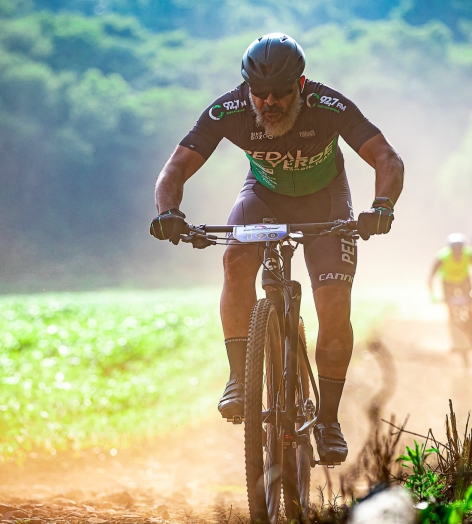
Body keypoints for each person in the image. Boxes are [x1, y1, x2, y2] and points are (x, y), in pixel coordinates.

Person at [150, 33, 404, 463]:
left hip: (327, 202)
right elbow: (175, 167)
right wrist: (168, 211)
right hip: (263, 195)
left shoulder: (328, 105)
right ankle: (240, 379)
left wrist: (381, 207)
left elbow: (387, 158)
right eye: (260, 93)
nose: (269, 102)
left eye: (281, 93)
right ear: (247, 88)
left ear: (300, 85)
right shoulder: (228, 110)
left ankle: (326, 420)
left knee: (334, 306)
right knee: (234, 260)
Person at [428, 233, 472, 348]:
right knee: (450, 312)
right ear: (450, 250)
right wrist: (432, 295)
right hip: (448, 284)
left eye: (459, 250)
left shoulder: (469, 254)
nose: (457, 253)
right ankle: (453, 343)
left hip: (464, 282)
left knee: (470, 310)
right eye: (454, 250)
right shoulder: (443, 257)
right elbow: (431, 277)